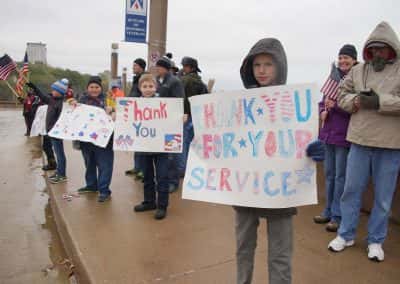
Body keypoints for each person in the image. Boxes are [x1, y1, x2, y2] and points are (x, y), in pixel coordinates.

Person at [236, 38, 324, 284]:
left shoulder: (294, 104)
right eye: (257, 65)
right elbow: (226, 142)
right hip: (245, 190)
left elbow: (300, 138)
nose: (262, 70)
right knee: (243, 249)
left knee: (280, 255)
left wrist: (314, 148)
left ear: (280, 67)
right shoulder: (238, 104)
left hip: (281, 194)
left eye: (268, 64)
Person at [328, 21, 400, 262]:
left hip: (390, 145)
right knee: (350, 191)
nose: (378, 53)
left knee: (382, 198)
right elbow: (341, 95)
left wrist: (379, 101)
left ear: (391, 48)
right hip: (359, 140)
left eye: (382, 48)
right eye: (374, 48)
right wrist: (356, 101)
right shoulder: (357, 71)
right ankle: (345, 234)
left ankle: (376, 241)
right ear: (368, 49)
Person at [313, 44, 358, 232]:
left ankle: (338, 216)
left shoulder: (357, 79)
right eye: (340, 57)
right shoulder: (332, 79)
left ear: (354, 60)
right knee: (329, 175)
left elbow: (355, 107)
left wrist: (336, 106)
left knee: (341, 177)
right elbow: (323, 102)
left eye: (347, 57)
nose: (343, 61)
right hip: (328, 134)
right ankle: (328, 211)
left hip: (344, 136)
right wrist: (323, 110)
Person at [69, 76, 115, 202]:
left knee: (105, 165)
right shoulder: (81, 100)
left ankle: (104, 190)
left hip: (104, 140)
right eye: (91, 87)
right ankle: (91, 185)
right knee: (89, 163)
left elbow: (119, 112)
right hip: (86, 140)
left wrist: (113, 110)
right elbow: (72, 113)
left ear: (101, 88)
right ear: (87, 88)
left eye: (97, 87)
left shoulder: (108, 100)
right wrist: (72, 104)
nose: (94, 89)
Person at [133, 73, 171, 220]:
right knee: (147, 177)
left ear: (156, 87)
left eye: (151, 86)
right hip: (144, 147)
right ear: (140, 88)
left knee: (162, 177)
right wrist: (116, 114)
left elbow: (172, 119)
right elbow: (126, 120)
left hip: (161, 148)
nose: (148, 89)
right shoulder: (134, 105)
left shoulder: (164, 104)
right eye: (145, 86)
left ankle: (162, 206)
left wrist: (181, 117)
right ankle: (149, 202)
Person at [27, 79, 69, 184]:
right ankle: (59, 172)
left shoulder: (61, 104)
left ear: (60, 92)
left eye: (54, 90)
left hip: (56, 133)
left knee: (60, 154)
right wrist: (34, 87)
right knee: (57, 153)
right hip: (50, 132)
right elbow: (42, 96)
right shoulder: (52, 100)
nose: (52, 91)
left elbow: (62, 119)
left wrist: (57, 130)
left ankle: (62, 175)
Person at [155, 56, 185, 193]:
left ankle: (173, 182)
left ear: (165, 68)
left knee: (172, 154)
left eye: (159, 66)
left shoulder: (174, 81)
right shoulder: (157, 80)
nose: (157, 69)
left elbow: (180, 101)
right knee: (162, 154)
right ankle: (163, 180)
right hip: (159, 122)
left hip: (171, 123)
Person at [179, 56, 208, 176]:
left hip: (185, 116)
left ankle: (182, 170)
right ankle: (193, 168)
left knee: (183, 144)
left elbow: (181, 98)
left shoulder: (184, 80)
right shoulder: (201, 82)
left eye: (184, 66)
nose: (182, 68)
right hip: (197, 118)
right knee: (194, 144)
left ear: (188, 67)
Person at [126, 58, 146, 180]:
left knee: (142, 143)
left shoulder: (143, 78)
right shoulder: (136, 78)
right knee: (136, 143)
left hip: (141, 113)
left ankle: (143, 169)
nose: (133, 67)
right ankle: (137, 167)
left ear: (141, 67)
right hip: (134, 112)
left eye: (135, 66)